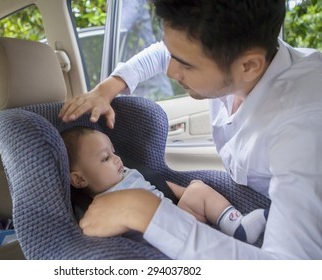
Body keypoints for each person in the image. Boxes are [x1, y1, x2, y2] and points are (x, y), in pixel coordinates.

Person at [59, 0, 322, 259]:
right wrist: (106, 89)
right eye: (173, 55)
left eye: (185, 64)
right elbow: (164, 53)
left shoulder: (304, 131)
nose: (171, 70)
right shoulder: (237, 58)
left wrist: (143, 211)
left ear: (248, 65)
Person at [61, 126, 267, 244]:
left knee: (198, 189)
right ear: (79, 179)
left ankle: (237, 227)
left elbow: (161, 186)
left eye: (114, 152)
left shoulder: (127, 173)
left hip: (181, 217)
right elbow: (94, 231)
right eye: (105, 158)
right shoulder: (101, 205)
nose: (116, 159)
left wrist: (189, 193)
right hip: (161, 239)